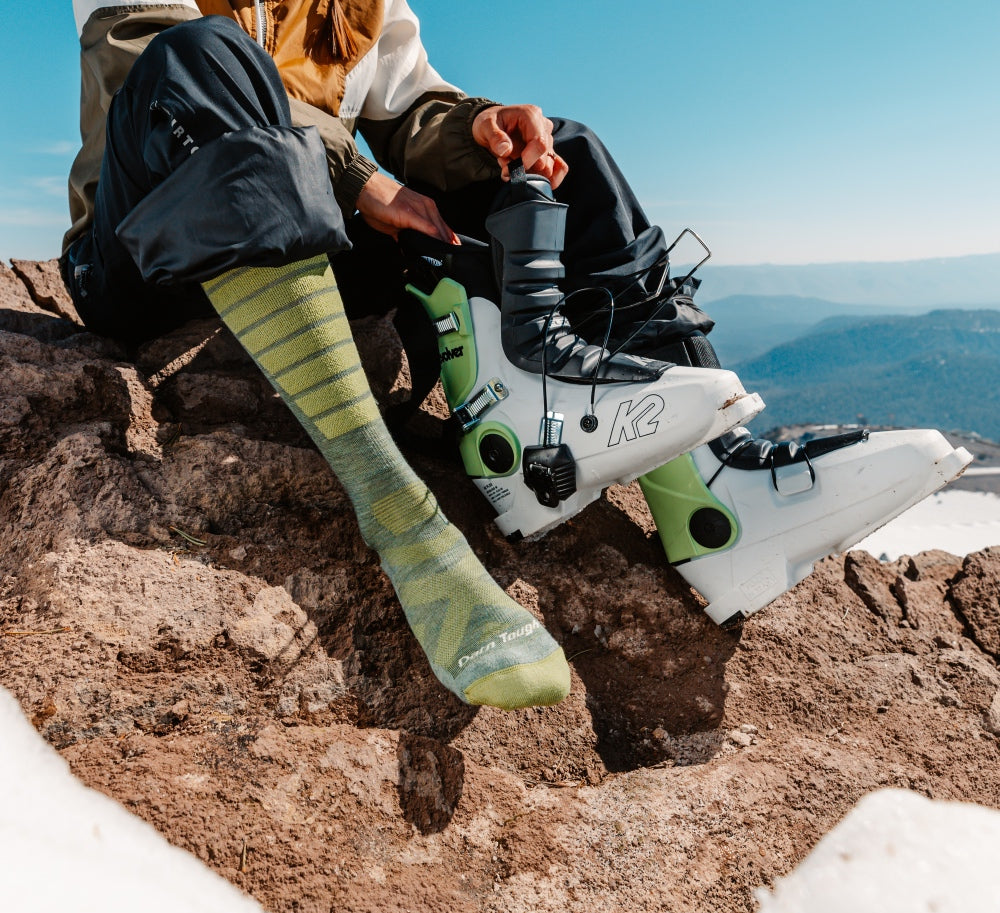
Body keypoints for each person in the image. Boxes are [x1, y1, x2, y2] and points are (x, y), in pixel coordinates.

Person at [62, 0, 969, 708]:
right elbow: (145, 55)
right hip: (147, 248)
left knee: (561, 150)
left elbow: (408, 106)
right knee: (204, 56)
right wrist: (363, 177)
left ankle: (710, 497)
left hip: (316, 232)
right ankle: (408, 529)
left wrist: (484, 125)